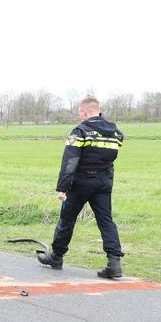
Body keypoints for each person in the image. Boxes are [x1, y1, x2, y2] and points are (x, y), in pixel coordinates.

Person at [38, 96, 125, 278]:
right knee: (106, 221)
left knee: (67, 219)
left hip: (81, 183)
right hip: (104, 182)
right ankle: (114, 262)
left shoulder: (81, 131)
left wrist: (62, 188)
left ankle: (57, 256)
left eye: (80, 112)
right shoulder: (116, 132)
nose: (80, 116)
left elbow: (70, 162)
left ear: (85, 111)